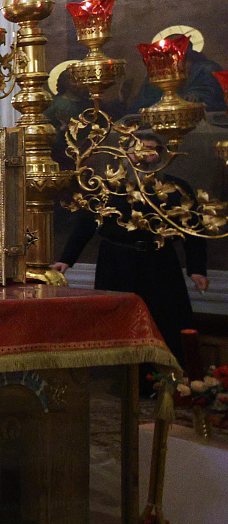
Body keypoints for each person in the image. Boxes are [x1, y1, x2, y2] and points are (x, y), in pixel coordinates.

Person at [53, 130, 209, 363]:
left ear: (160, 155)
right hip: (117, 262)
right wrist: (66, 259)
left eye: (150, 150)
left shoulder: (178, 189)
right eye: (138, 150)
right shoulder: (106, 188)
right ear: (125, 153)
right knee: (118, 322)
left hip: (160, 262)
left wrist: (197, 269)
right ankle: (120, 381)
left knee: (165, 321)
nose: (144, 156)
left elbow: (194, 230)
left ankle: (166, 378)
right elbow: (85, 224)